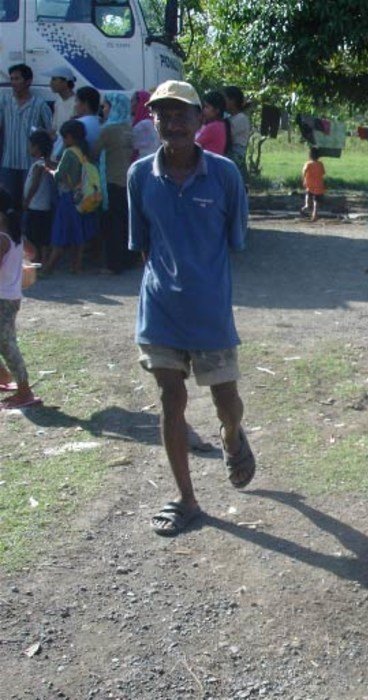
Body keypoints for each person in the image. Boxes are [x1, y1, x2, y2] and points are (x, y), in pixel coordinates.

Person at [127, 80, 253, 537]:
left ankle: (233, 436)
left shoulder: (224, 176)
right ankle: (187, 498)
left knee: (226, 403)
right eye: (164, 114)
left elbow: (235, 240)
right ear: (152, 120)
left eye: (183, 114)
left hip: (211, 313)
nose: (174, 122)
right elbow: (142, 246)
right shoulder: (140, 176)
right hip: (159, 311)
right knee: (170, 400)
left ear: (202, 120)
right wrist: (165, 286)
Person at [0, 187, 41, 410]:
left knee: (7, 344)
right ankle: (4, 376)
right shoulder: (15, 234)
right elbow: (32, 253)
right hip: (10, 296)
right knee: (5, 341)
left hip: (2, 299)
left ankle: (24, 391)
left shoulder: (3, 238)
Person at [41, 120, 96, 275]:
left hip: (68, 197)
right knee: (78, 234)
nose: (63, 141)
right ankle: (76, 266)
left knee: (60, 234)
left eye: (64, 138)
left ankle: (48, 268)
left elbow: (59, 175)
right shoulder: (83, 151)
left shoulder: (69, 153)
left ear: (70, 137)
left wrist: (50, 170)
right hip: (82, 197)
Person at [0, 64, 53, 210]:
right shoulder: (4, 102)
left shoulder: (40, 105)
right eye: (12, 79)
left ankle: (25, 232)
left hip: (30, 165)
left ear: (28, 81)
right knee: (7, 204)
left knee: (28, 204)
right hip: (8, 162)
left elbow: (51, 133)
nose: (14, 82)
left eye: (17, 79)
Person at [92, 92, 134, 274]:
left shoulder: (108, 130)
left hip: (110, 180)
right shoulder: (128, 127)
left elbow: (94, 152)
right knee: (125, 224)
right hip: (126, 181)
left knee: (111, 226)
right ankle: (127, 260)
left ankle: (113, 265)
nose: (103, 109)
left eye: (106, 106)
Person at [23, 131, 54, 264]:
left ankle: (37, 260)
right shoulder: (45, 163)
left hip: (36, 206)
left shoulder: (40, 165)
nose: (29, 148)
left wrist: (27, 200)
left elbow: (35, 184)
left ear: (37, 147)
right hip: (43, 206)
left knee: (35, 236)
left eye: (31, 145)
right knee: (42, 236)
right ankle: (42, 259)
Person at [47, 66, 76, 158]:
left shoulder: (77, 103)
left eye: (54, 79)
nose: (50, 83)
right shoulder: (58, 101)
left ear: (65, 82)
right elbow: (54, 129)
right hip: (58, 150)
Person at [223, 86, 251, 176]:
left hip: (236, 154)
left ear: (233, 100)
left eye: (225, 99)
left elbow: (226, 133)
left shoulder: (241, 118)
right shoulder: (229, 117)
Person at [195, 90, 230, 156]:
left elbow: (193, 144)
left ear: (217, 110)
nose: (203, 110)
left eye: (207, 107)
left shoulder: (213, 127)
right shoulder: (221, 125)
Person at [130, 90, 159, 160]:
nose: (130, 105)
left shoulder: (143, 125)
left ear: (140, 103)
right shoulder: (153, 122)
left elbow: (131, 146)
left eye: (132, 101)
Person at [73, 86, 102, 151]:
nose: (75, 105)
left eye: (76, 101)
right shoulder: (104, 124)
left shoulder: (76, 125)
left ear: (85, 104)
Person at [301, 147, 326, 221]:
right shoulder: (320, 164)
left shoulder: (308, 163)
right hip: (318, 184)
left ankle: (306, 205)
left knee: (308, 194)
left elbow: (304, 171)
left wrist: (304, 179)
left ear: (310, 155)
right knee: (316, 200)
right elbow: (323, 173)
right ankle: (314, 214)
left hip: (310, 183)